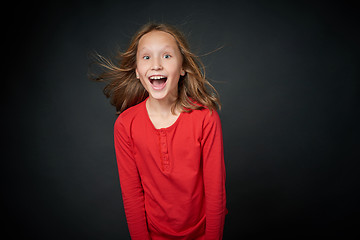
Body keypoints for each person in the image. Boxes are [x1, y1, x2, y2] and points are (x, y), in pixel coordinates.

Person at [94, 22, 227, 240]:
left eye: (166, 56)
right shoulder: (125, 125)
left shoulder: (206, 118)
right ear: (137, 71)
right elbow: (132, 198)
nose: (156, 65)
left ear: (182, 67)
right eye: (146, 57)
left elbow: (216, 194)